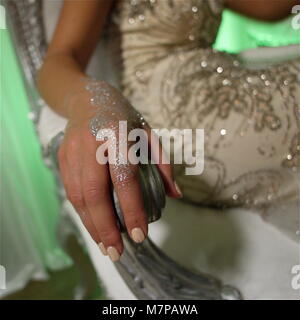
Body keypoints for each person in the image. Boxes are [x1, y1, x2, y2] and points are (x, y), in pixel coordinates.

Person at [37, 0, 300, 262]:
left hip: (226, 85)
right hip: (175, 128)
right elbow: (58, 60)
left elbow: (269, 8)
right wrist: (95, 103)